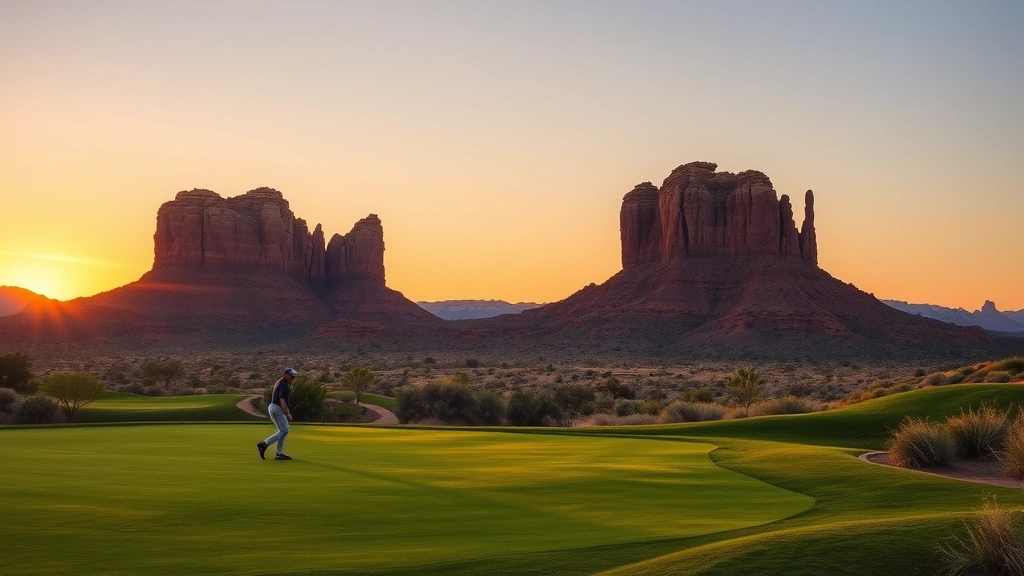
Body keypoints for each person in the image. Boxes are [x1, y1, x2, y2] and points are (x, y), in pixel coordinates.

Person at [257, 368, 296, 460]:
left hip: (273, 407)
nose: (292, 379)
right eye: (291, 376)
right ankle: (264, 444)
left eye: (293, 377)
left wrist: (287, 412)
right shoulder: (283, 385)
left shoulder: (280, 382)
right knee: (284, 430)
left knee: (282, 431)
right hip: (277, 408)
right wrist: (286, 412)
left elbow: (283, 401)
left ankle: (279, 453)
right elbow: (282, 400)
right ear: (286, 375)